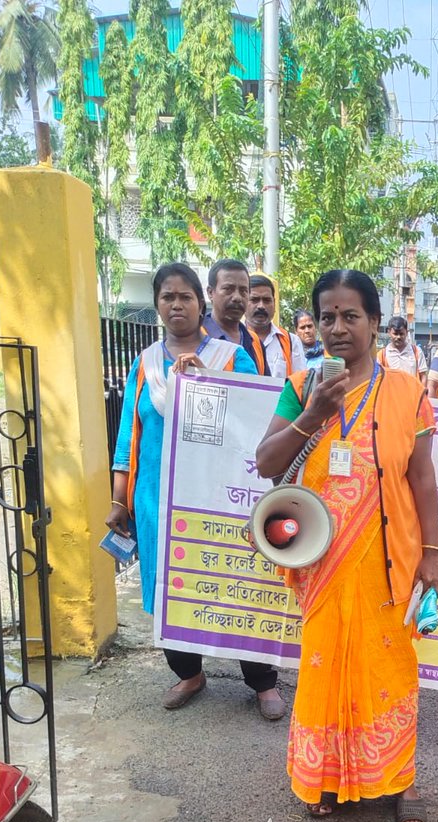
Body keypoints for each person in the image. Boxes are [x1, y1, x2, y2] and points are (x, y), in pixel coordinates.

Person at [256, 270, 438, 822]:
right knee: (325, 666)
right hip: (321, 559)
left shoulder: (408, 392)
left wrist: (432, 554)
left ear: (373, 322)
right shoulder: (299, 385)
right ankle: (327, 777)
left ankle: (400, 779)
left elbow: (424, 479)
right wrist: (311, 415)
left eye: (351, 316)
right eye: (328, 317)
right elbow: (267, 463)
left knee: (389, 667)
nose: (338, 329)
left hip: (389, 561)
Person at [107, 263, 287, 720]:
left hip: (218, 495)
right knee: (172, 588)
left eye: (185, 297)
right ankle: (189, 672)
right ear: (158, 305)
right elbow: (131, 429)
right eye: (167, 297)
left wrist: (207, 380)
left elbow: (255, 420)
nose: (176, 305)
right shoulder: (146, 363)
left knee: (238, 584)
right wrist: (118, 498)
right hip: (156, 496)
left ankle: (262, 680)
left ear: (200, 303)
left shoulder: (231, 357)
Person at [203, 259, 268, 375]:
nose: (237, 297)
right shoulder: (195, 337)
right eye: (228, 289)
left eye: (243, 291)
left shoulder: (254, 342)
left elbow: (266, 390)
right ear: (210, 293)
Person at [246, 274, 306, 388]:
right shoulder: (234, 339)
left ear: (274, 303)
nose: (261, 306)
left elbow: (300, 386)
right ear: (244, 301)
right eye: (254, 300)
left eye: (267, 300)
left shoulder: (291, 342)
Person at [377, 315, 427, 381]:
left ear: (406, 332)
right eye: (395, 334)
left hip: (413, 391)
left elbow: (423, 376)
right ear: (389, 333)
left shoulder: (416, 352)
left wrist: (423, 390)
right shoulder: (382, 356)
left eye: (401, 334)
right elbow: (377, 379)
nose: (398, 337)